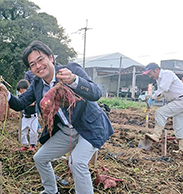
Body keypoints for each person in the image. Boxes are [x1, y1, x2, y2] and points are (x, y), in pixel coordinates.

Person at [7, 40, 114, 194]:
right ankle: (51, 191)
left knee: (76, 162)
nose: (38, 66)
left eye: (40, 59)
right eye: (32, 64)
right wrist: (5, 94)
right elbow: (20, 103)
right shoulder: (37, 83)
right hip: (66, 131)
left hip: (89, 127)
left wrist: (74, 80)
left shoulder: (70, 70)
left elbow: (96, 93)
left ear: (50, 58)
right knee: (40, 158)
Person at [142, 62, 183, 156]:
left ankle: (156, 135)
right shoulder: (159, 79)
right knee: (178, 127)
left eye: (150, 73)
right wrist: (153, 97)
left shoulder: (167, 74)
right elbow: (163, 93)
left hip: (180, 100)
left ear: (156, 70)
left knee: (160, 113)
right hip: (181, 101)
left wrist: (153, 97)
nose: (149, 75)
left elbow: (163, 89)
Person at [16, 79, 38, 151]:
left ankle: (33, 145)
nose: (21, 92)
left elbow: (32, 103)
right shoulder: (21, 97)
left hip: (33, 117)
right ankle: (25, 145)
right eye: (20, 91)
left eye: (22, 90)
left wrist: (24, 102)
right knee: (22, 131)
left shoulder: (31, 95)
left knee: (33, 132)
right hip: (25, 117)